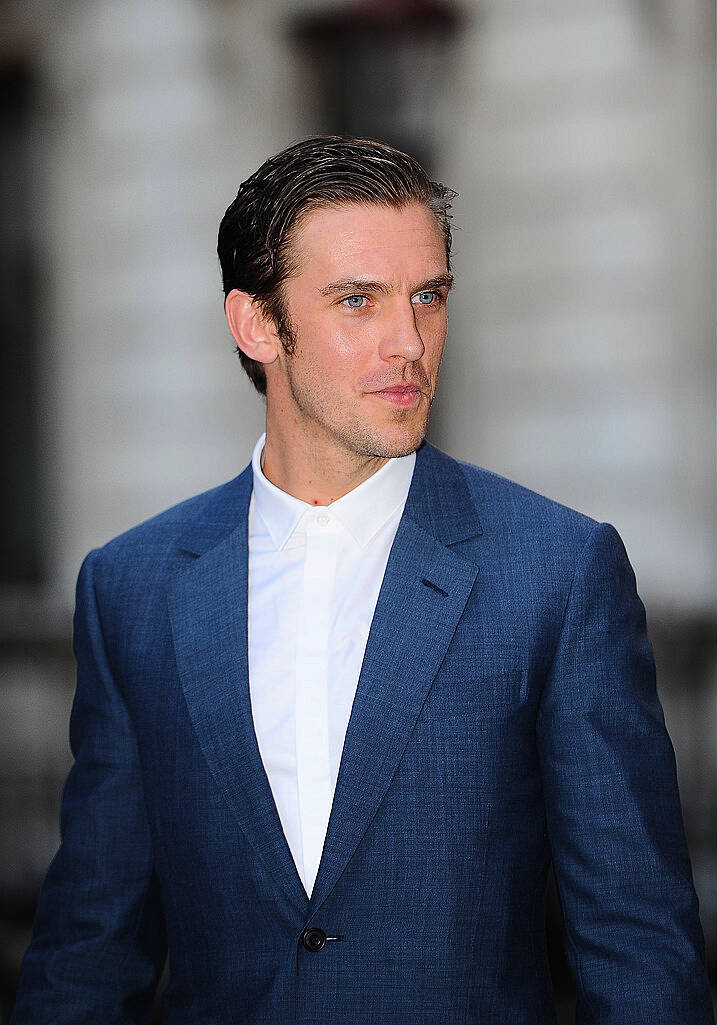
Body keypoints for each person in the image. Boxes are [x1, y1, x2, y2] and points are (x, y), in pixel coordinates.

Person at [13, 136, 713, 1025]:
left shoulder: (556, 570)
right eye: (357, 301)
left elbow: (637, 939)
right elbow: (89, 943)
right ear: (259, 325)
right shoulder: (133, 586)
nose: (409, 342)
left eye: (428, 296)